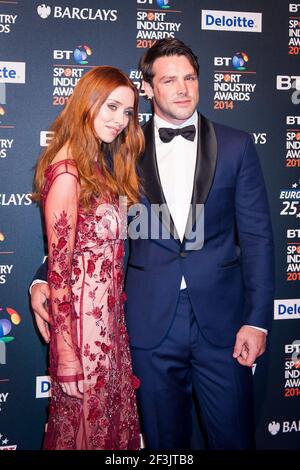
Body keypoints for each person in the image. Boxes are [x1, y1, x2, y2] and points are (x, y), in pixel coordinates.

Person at [30, 39, 274, 450]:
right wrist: (41, 280)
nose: (183, 89)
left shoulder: (237, 145)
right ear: (147, 88)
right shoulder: (119, 149)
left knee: (235, 439)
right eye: (169, 80)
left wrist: (257, 319)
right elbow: (81, 223)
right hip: (146, 326)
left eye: (190, 78)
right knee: (162, 445)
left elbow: (258, 237)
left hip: (223, 327)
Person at [31, 66, 144, 450]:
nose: (119, 120)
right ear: (87, 103)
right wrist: (65, 356)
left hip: (108, 333)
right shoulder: (67, 172)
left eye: (128, 112)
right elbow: (59, 275)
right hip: (82, 339)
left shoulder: (98, 166)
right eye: (111, 107)